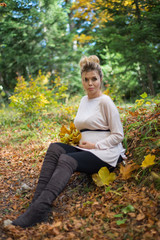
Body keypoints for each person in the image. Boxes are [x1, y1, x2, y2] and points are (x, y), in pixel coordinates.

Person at [12, 55, 126, 228]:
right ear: (81, 80)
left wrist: (96, 145)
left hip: (106, 152)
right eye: (86, 79)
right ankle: (36, 205)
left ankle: (39, 209)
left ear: (101, 79)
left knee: (66, 159)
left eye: (94, 79)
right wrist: (74, 138)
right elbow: (84, 127)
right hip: (86, 150)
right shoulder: (83, 100)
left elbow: (119, 135)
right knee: (54, 148)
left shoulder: (106, 101)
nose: (90, 83)